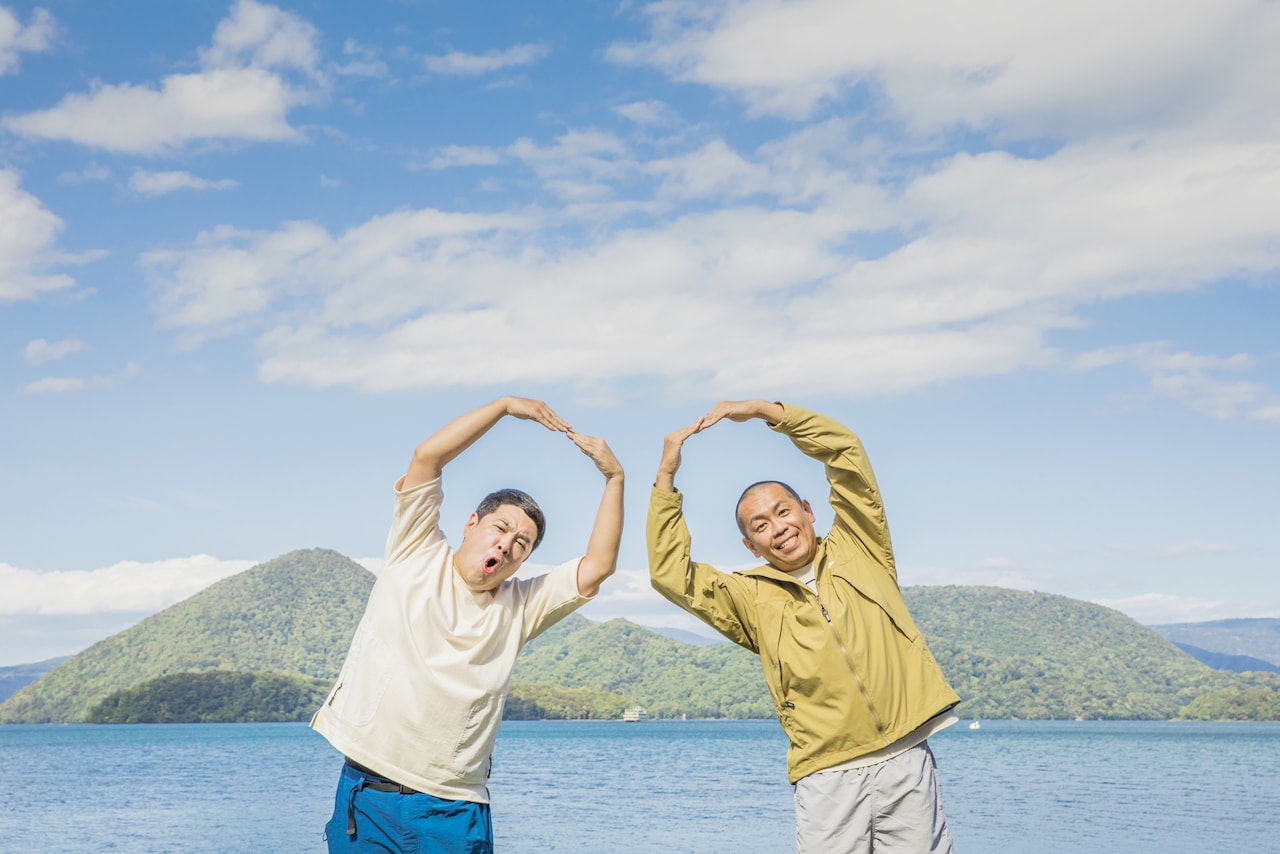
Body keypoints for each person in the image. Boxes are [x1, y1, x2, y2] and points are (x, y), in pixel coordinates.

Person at [312, 396, 624, 853]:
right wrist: (504, 407)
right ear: (471, 523)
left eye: (522, 544)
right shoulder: (414, 550)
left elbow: (597, 566)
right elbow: (427, 457)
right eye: (500, 528)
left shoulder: (520, 606)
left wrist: (614, 478)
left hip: (452, 810)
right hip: (367, 796)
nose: (508, 544)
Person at [647, 399, 960, 854]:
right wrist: (665, 480)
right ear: (750, 545)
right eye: (761, 525)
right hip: (826, 775)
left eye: (783, 511)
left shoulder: (862, 546)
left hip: (906, 759)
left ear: (808, 510)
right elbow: (671, 574)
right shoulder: (749, 597)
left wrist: (765, 411)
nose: (778, 527)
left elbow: (846, 455)